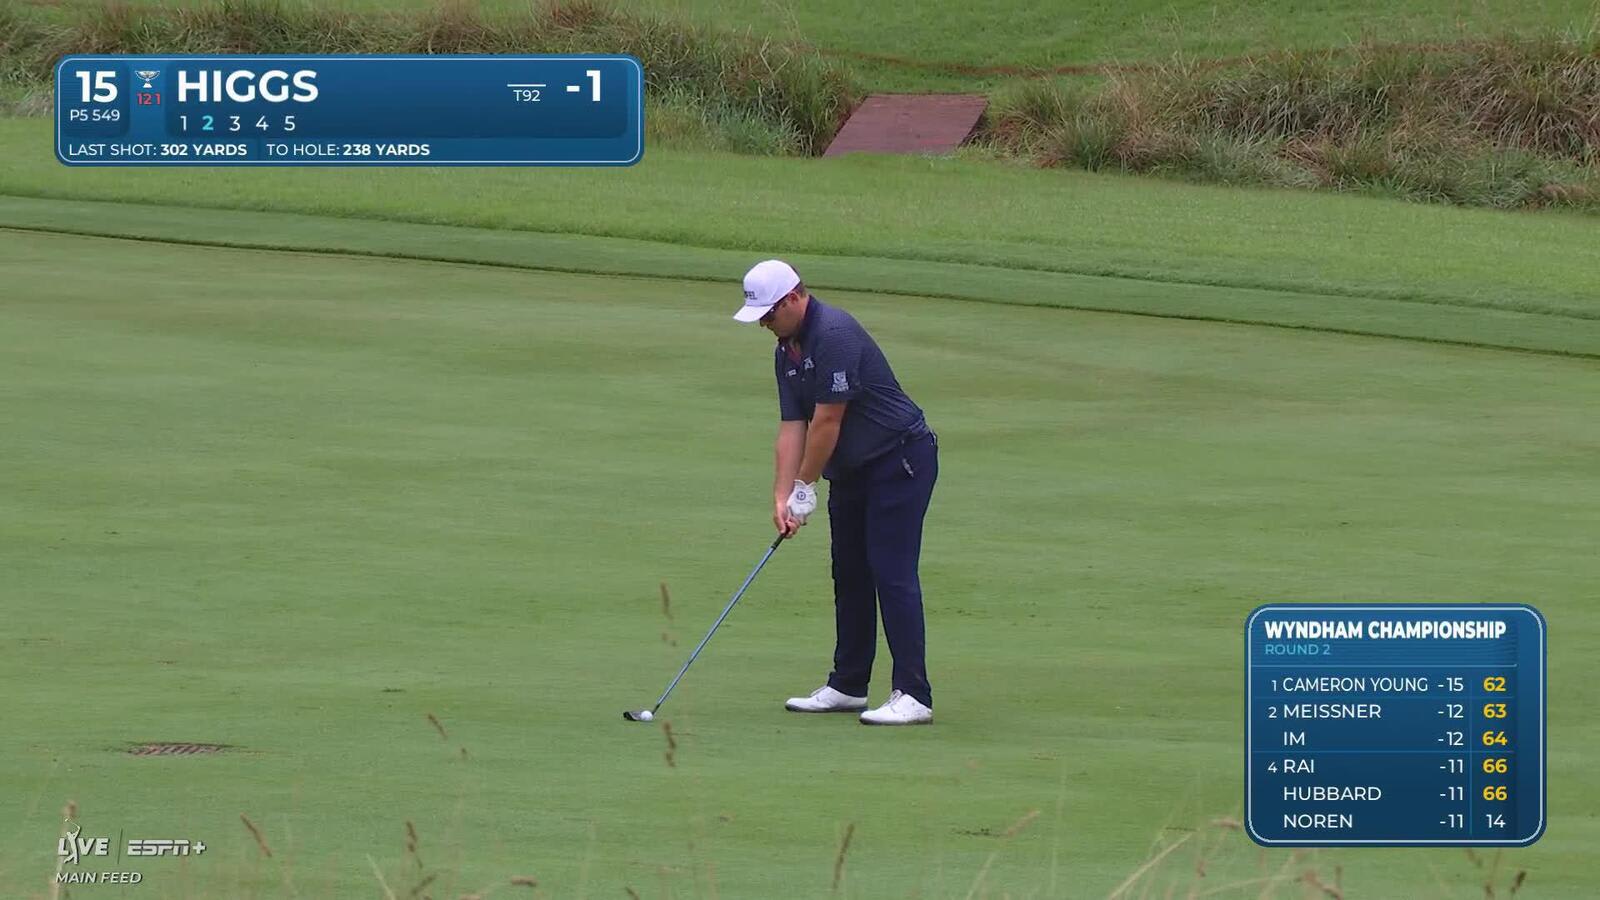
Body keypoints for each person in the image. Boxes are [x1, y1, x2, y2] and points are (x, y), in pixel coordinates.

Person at [732, 259, 939, 726]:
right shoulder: (786, 349)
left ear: (793, 298)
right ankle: (849, 684)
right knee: (849, 572)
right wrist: (782, 496)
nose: (765, 323)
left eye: (769, 313)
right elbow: (792, 427)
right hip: (853, 470)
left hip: (899, 459)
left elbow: (826, 423)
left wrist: (805, 487)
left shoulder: (835, 333)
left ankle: (914, 693)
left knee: (891, 570)